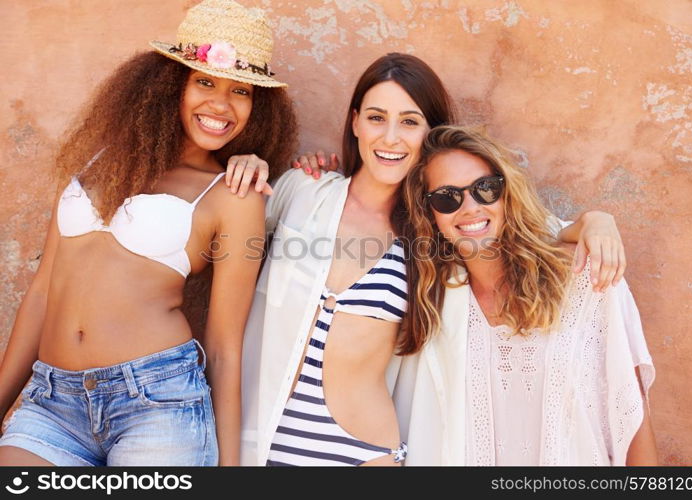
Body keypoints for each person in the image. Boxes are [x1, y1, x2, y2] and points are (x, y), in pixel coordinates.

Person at [234, 52, 627, 466]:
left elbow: (528, 227)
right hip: (265, 439)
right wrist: (246, 164)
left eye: (409, 121)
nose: (390, 138)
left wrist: (595, 221)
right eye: (375, 117)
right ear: (354, 122)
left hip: (365, 454)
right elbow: (221, 218)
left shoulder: (437, 228)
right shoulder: (303, 190)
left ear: (429, 132)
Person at [0, 0, 296, 466]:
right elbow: (41, 294)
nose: (221, 104)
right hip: (51, 405)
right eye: (204, 81)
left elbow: (223, 345)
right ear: (167, 84)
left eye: (240, 90)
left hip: (159, 405)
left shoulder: (234, 197)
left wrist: (232, 471)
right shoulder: (94, 163)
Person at [396, 125, 656, 465]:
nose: (470, 207)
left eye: (485, 188)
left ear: (507, 193)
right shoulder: (431, 306)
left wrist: (596, 219)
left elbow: (631, 419)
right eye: (447, 197)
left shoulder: (587, 280)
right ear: (430, 216)